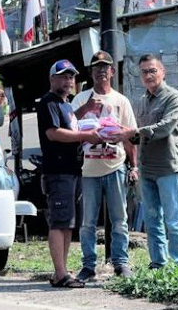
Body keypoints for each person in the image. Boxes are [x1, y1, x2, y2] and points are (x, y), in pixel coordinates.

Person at [71, 50, 138, 281]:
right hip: (88, 170)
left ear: (112, 71)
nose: (101, 71)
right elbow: (68, 126)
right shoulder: (81, 99)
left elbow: (130, 136)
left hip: (115, 167)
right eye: (96, 68)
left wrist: (134, 166)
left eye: (105, 67)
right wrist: (87, 108)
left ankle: (121, 262)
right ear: (91, 72)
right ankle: (88, 265)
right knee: (88, 222)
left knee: (119, 219)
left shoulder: (121, 101)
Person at [36, 59, 101, 288]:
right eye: (63, 76)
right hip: (58, 171)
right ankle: (61, 273)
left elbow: (71, 124)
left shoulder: (65, 104)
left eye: (71, 76)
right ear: (52, 79)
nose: (68, 81)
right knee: (59, 222)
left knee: (67, 223)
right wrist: (86, 136)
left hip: (72, 170)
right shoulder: (48, 102)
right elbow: (54, 133)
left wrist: (86, 110)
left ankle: (60, 272)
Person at [121, 53, 178, 269]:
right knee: (152, 220)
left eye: (152, 70)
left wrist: (134, 132)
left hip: (168, 167)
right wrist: (119, 134)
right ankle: (158, 264)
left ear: (162, 72)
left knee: (173, 220)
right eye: (144, 72)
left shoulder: (173, 97)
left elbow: (165, 127)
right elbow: (136, 136)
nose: (148, 75)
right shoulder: (142, 101)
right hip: (147, 169)